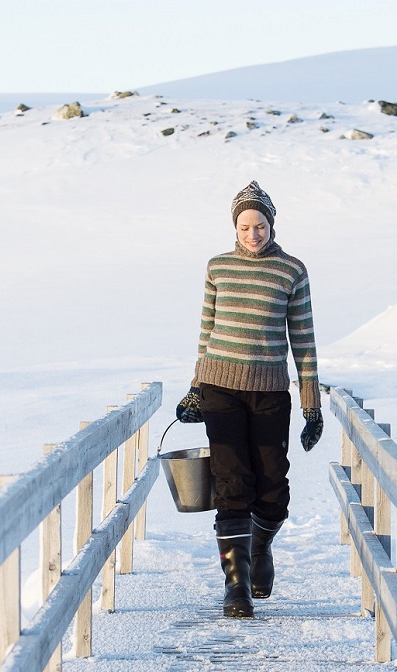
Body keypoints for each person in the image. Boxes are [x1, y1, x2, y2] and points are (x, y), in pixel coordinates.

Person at [174, 180, 324, 618]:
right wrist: (196, 386)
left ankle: (260, 548)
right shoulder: (217, 267)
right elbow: (206, 333)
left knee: (273, 484)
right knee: (232, 480)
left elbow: (304, 340)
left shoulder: (291, 271)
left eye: (259, 225)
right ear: (234, 228)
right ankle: (235, 585)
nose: (252, 234)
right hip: (220, 387)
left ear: (271, 225)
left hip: (271, 390)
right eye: (244, 226)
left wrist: (311, 405)